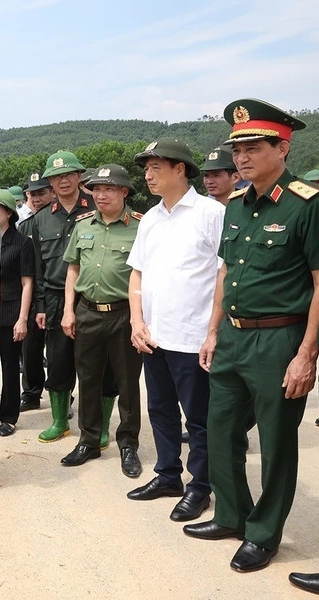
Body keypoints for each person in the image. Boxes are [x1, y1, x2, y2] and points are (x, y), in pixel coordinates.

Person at [186, 99, 319, 577]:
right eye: (236, 148)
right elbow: (225, 271)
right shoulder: (237, 206)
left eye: (253, 147)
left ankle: (263, 534)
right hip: (234, 339)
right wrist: (212, 330)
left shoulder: (308, 204)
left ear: (282, 149)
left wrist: (307, 354)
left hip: (280, 341)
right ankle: (230, 515)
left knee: (277, 441)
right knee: (219, 429)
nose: (240, 157)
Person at [125, 138, 224, 522]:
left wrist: (212, 332)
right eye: (146, 169)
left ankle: (200, 486)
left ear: (180, 169)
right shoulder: (150, 218)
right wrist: (136, 320)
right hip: (154, 336)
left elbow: (223, 273)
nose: (148, 176)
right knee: (161, 410)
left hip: (192, 337)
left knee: (198, 417)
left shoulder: (209, 213)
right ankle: (168, 475)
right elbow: (137, 273)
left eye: (156, 168)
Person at [30, 151, 119, 446]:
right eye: (56, 176)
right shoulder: (41, 219)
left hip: (94, 297)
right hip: (56, 300)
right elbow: (38, 269)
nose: (63, 180)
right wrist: (41, 306)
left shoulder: (101, 205)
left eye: (68, 174)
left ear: (80, 176)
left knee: (101, 365)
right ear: (50, 182)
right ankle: (59, 422)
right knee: (58, 361)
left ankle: (101, 426)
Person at [59, 165, 143, 476]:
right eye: (96, 189)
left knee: (127, 382)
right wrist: (69, 310)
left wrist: (139, 320)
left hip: (124, 313)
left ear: (124, 192)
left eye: (109, 189)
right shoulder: (83, 225)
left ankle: (128, 444)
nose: (101, 195)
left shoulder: (141, 226)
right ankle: (89, 441)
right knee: (89, 379)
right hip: (88, 312)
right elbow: (73, 269)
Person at [0, 189, 34, 436]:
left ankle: (9, 417)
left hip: (11, 312)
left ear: (9, 213)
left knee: (10, 367)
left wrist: (22, 318)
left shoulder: (22, 242)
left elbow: (27, 283)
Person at [18, 172, 53, 413]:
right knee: (30, 350)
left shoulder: (64, 219)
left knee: (58, 352)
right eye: (32, 194)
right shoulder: (24, 226)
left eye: (41, 192)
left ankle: (62, 396)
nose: (37, 198)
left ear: (51, 192)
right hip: (31, 296)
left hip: (55, 293)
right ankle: (31, 394)